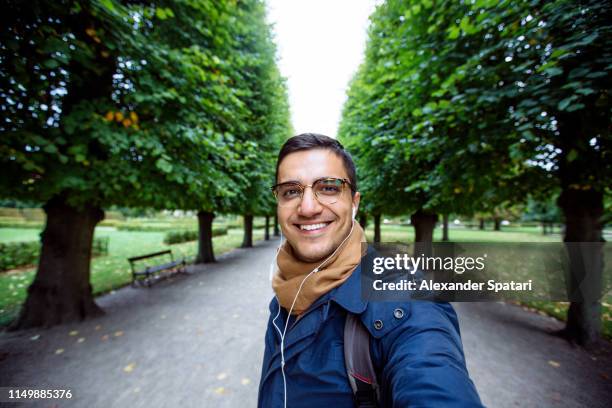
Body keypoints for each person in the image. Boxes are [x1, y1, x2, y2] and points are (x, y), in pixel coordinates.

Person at [257, 133, 483, 407]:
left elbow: (432, 375)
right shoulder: (287, 287)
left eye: (328, 187)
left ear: (354, 202)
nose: (307, 208)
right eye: (291, 191)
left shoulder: (405, 298)